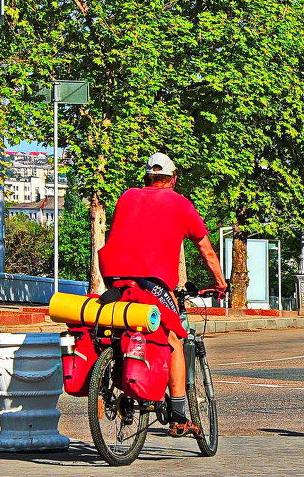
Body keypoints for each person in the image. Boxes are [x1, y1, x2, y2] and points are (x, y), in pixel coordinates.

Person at [97, 152, 228, 436]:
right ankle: (179, 415)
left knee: (124, 323)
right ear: (173, 179)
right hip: (151, 281)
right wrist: (220, 283)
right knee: (174, 337)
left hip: (115, 277)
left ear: (147, 177)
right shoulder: (180, 203)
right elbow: (206, 251)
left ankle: (112, 378)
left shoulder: (126, 196)